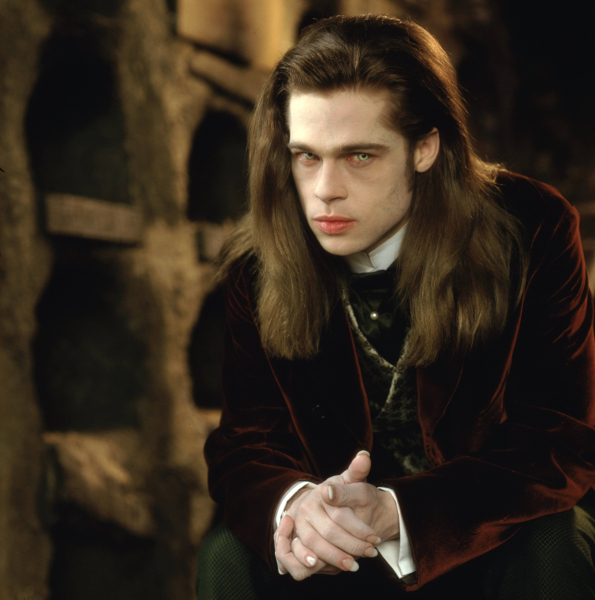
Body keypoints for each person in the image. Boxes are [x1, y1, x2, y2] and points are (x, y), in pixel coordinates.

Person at [195, 14, 595, 600]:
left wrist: (399, 510)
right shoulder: (257, 261)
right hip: (337, 551)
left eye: (359, 156)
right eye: (306, 156)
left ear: (425, 148)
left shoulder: (531, 227)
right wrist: (296, 505)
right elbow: (243, 443)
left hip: (486, 533)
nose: (325, 190)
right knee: (227, 554)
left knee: (557, 540)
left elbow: (561, 440)